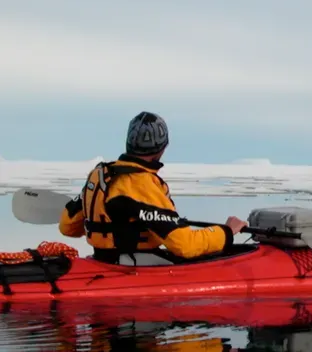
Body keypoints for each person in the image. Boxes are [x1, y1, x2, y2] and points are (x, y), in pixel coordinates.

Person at [58, 111, 248, 265]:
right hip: (133, 266)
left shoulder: (100, 175)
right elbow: (185, 245)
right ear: (162, 148)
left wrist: (115, 226)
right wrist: (226, 232)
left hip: (102, 260)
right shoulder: (142, 184)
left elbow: (67, 227)